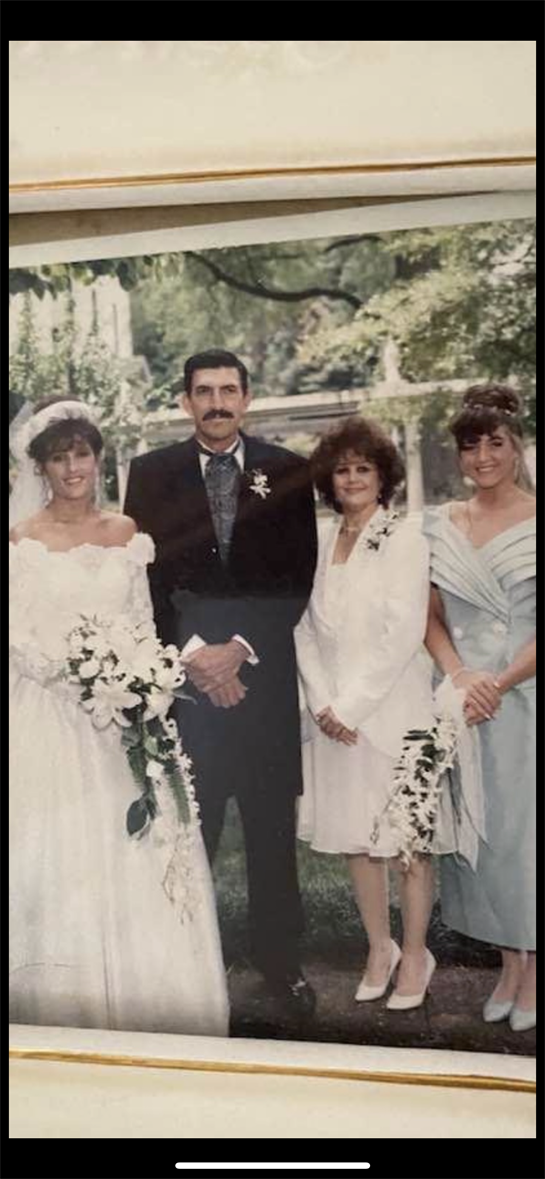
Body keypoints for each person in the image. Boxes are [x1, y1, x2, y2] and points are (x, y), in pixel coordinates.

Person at [9, 398, 229, 1035]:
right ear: (42, 468)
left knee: (133, 843)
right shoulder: (22, 541)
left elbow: (141, 623)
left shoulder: (126, 533)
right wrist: (78, 674)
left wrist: (135, 678)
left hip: (125, 718)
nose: (73, 467)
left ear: (98, 459)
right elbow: (18, 635)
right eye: (59, 457)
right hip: (50, 714)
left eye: (82, 454)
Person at [124, 350, 318, 1015]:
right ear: (184, 401)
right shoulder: (150, 474)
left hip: (260, 680)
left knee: (269, 828)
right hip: (187, 686)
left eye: (227, 390)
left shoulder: (287, 468)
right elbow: (141, 579)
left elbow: (297, 575)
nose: (215, 402)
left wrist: (238, 649)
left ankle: (279, 962)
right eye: (202, 391)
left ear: (247, 397)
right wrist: (194, 655)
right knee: (192, 826)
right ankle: (187, 961)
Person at [296, 417, 437, 1011]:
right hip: (334, 721)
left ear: (384, 477)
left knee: (406, 841)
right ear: (330, 479)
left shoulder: (405, 538)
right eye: (343, 469)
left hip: (392, 713)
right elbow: (303, 626)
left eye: (364, 468)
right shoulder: (321, 541)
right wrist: (324, 703)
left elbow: (404, 632)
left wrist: (351, 706)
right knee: (359, 840)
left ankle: (417, 951)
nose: (352, 478)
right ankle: (379, 947)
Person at [424, 384, 536, 1033]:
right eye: (471, 444)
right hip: (465, 701)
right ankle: (508, 964)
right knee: (483, 838)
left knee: (526, 837)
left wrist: (500, 678)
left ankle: (534, 969)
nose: (483, 455)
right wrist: (461, 674)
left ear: (515, 445)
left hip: (522, 697)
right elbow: (428, 616)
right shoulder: (441, 524)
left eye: (495, 441)